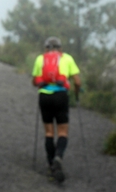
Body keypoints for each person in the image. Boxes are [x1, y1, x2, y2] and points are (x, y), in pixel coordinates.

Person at [31, 36, 81, 183]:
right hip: (61, 96)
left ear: (46, 48)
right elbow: (77, 81)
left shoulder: (40, 59)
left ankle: (51, 165)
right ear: (60, 48)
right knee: (63, 132)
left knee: (48, 132)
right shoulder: (67, 58)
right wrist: (76, 94)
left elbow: (35, 81)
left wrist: (42, 83)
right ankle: (58, 157)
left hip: (45, 97)